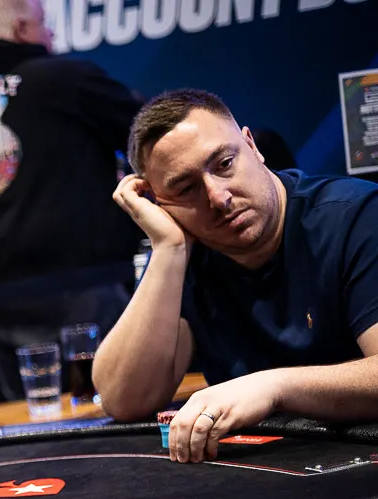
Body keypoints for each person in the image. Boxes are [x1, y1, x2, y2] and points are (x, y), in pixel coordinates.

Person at [93, 89, 378, 463]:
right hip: (270, 471)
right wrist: (168, 249)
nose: (218, 197)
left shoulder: (356, 216)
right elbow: (124, 400)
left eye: (225, 164)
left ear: (252, 146)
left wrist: (273, 387)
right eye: (186, 188)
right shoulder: (185, 253)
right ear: (159, 202)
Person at [0, 0, 143, 401]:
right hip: (74, 287)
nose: (51, 34)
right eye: (44, 23)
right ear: (21, 30)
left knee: (31, 422)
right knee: (110, 411)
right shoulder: (63, 78)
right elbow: (151, 130)